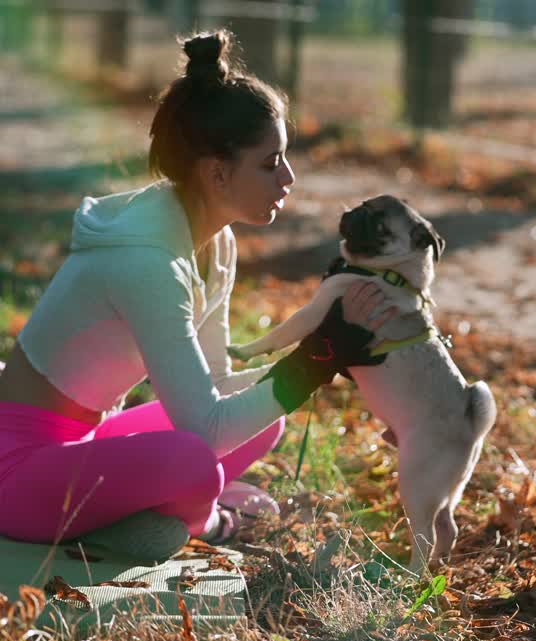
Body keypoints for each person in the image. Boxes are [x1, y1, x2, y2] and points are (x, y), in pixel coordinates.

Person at [0, 31, 394, 550]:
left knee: (260, 420)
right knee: (194, 462)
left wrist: (336, 356)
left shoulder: (215, 242)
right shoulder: (146, 261)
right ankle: (210, 524)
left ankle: (139, 518)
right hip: (18, 468)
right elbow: (205, 432)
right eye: (270, 162)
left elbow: (216, 384)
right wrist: (316, 362)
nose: (289, 177)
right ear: (217, 174)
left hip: (86, 444)